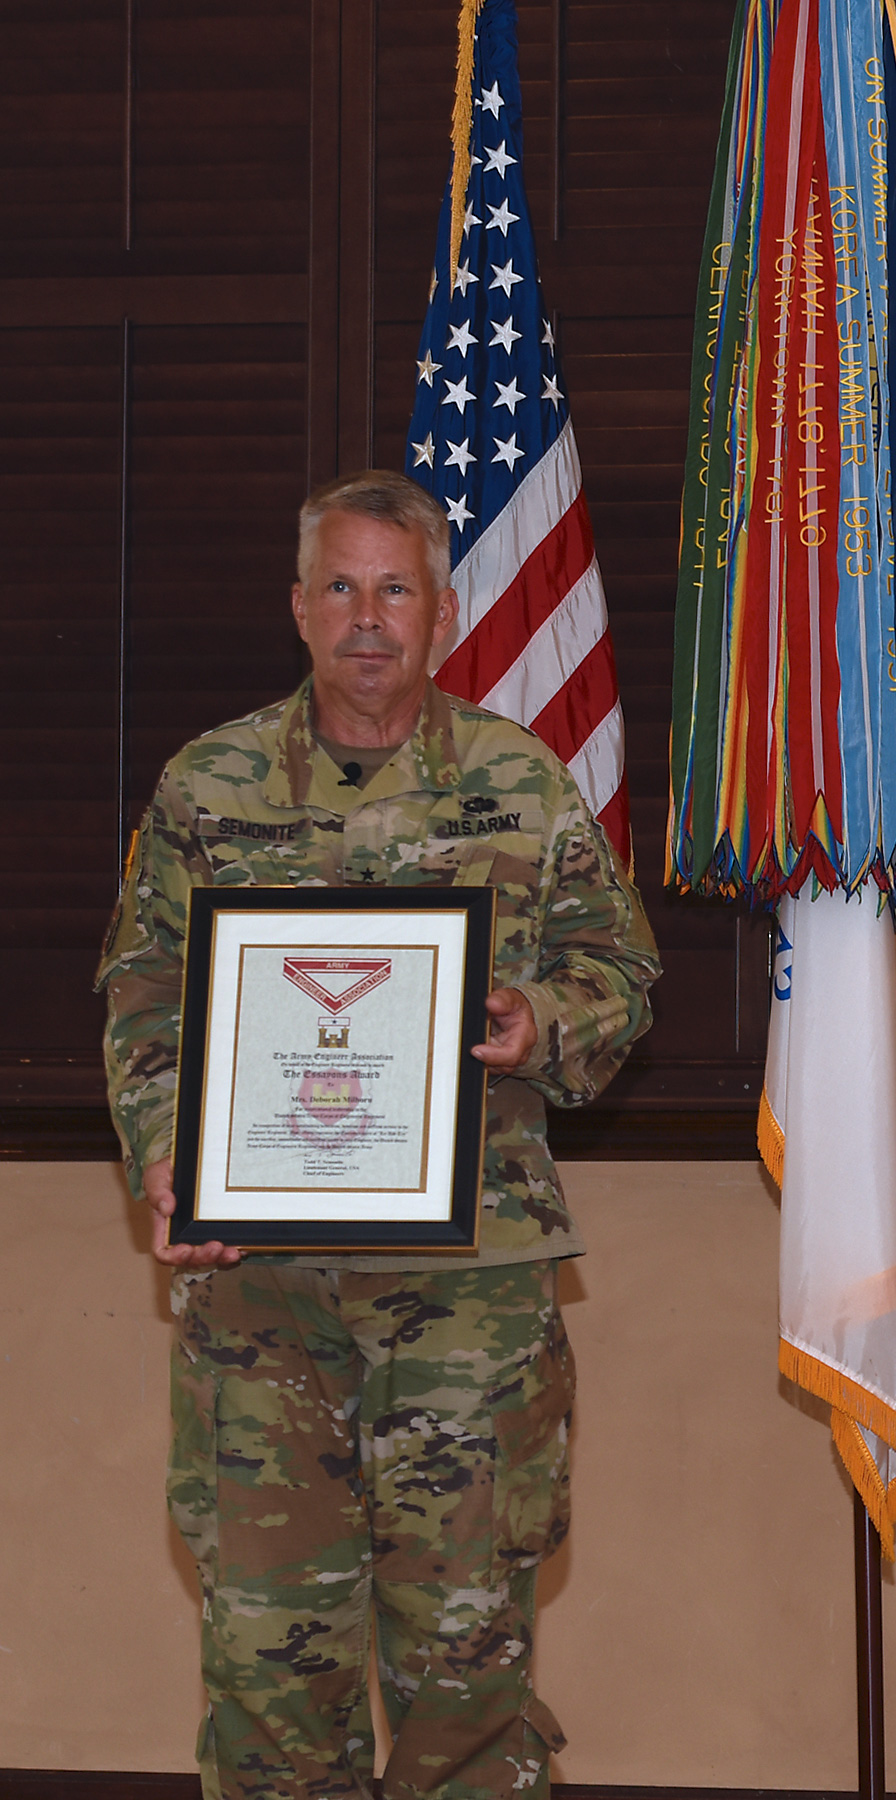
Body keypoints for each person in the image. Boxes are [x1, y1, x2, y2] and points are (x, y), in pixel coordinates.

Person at [96, 470, 662, 1799]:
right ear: (298, 608)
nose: (367, 616)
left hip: (467, 1301)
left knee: (466, 1665)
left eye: (394, 588)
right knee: (266, 1668)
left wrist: (539, 1019)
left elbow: (621, 973)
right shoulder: (207, 785)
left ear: (442, 614)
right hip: (262, 1295)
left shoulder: (523, 784)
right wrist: (170, 1150)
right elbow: (142, 990)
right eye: (340, 586)